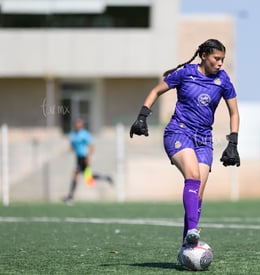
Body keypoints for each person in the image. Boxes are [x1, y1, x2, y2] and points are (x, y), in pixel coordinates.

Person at [129, 39, 240, 245]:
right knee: (193, 176)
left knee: (197, 194)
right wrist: (143, 116)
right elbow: (156, 91)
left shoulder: (223, 80)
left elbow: (234, 112)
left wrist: (232, 142)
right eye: (217, 58)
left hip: (204, 139)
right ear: (204, 56)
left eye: (223, 60)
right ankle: (193, 232)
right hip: (178, 132)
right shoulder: (185, 73)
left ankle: (187, 246)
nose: (220, 64)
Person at [63, 118, 113, 205]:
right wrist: (71, 149)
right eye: (77, 123)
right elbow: (72, 145)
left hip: (84, 158)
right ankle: (106, 177)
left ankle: (70, 197)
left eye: (80, 123)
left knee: (81, 176)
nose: (78, 125)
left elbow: (91, 146)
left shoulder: (85, 134)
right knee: (87, 177)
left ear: (82, 125)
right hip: (78, 158)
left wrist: (88, 157)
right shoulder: (73, 134)